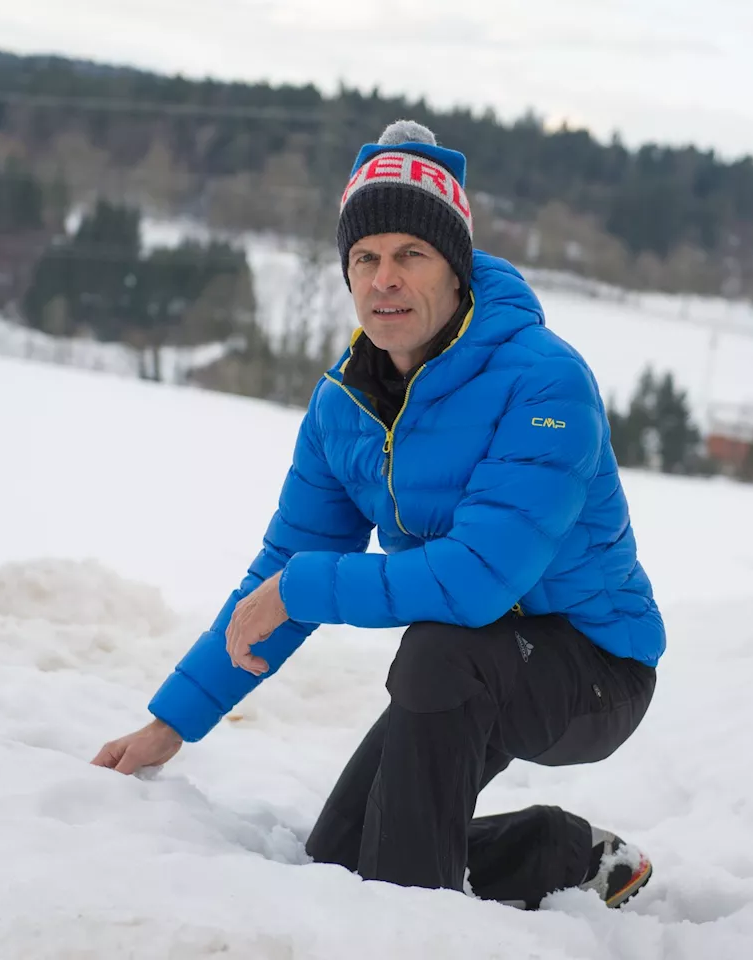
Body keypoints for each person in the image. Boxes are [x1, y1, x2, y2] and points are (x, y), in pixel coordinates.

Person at [93, 120, 666, 910]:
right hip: (473, 659)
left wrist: (305, 588)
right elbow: (278, 576)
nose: (383, 279)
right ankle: (570, 855)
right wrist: (172, 723)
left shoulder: (544, 382)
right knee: (339, 855)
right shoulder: (346, 406)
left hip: (594, 672)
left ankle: (415, 930)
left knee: (435, 653)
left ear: (456, 268)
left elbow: (476, 584)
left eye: (410, 255)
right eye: (365, 258)